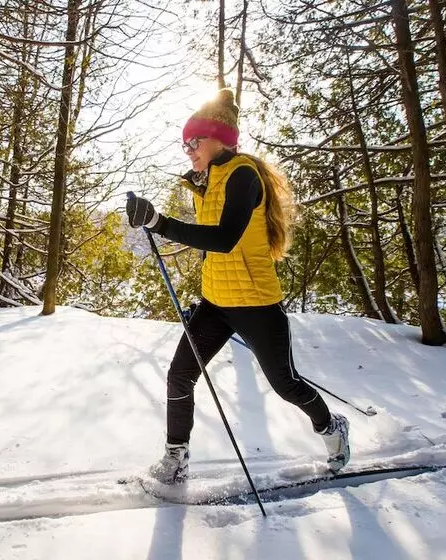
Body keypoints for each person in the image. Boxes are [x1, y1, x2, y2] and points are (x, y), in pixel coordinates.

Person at [125, 88, 350, 485]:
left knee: (285, 384)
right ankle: (176, 459)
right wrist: (148, 217)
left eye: (194, 142)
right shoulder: (206, 181)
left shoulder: (243, 174)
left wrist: (159, 222)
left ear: (220, 139)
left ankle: (332, 427)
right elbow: (212, 249)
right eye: (184, 144)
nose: (188, 150)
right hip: (215, 303)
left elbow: (225, 238)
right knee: (180, 374)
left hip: (257, 304)